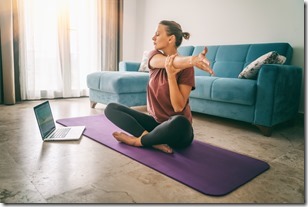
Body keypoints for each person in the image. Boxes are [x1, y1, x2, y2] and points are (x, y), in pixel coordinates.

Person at [105, 20, 214, 154]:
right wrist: (192, 60)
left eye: (157, 34)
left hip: (176, 131)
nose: (153, 38)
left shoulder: (187, 70)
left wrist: (171, 76)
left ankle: (138, 141)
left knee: (181, 121)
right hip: (156, 125)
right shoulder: (154, 56)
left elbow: (178, 107)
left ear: (170, 38)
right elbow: (171, 62)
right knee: (111, 108)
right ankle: (151, 140)